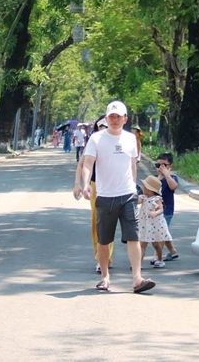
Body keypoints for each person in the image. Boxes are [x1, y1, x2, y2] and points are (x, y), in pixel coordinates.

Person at [75, 101, 156, 294]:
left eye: (118, 116)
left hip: (127, 195)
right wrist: (86, 184)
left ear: (125, 119)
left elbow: (132, 165)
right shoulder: (96, 139)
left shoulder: (130, 139)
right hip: (104, 196)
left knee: (133, 237)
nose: (114, 120)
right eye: (111, 116)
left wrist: (135, 189)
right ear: (106, 118)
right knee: (104, 240)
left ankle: (137, 278)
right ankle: (105, 277)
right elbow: (87, 164)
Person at [74, 116, 114, 273]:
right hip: (96, 186)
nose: (104, 128)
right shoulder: (94, 142)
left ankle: (106, 257)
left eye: (107, 125)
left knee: (110, 222)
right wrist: (79, 184)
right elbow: (82, 164)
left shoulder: (121, 142)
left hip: (115, 187)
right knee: (98, 222)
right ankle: (100, 257)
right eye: (101, 126)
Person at [137, 175, 172, 269]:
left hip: (155, 224)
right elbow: (137, 200)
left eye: (145, 187)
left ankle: (160, 258)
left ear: (151, 190)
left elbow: (161, 209)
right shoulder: (143, 197)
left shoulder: (156, 199)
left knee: (155, 244)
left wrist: (155, 212)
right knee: (142, 243)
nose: (143, 188)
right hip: (145, 224)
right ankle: (138, 264)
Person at [154, 152, 180, 261]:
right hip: (156, 210)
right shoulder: (155, 179)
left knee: (161, 232)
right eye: (158, 165)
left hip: (167, 210)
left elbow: (173, 187)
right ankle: (172, 251)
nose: (160, 168)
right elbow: (148, 190)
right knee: (163, 232)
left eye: (164, 165)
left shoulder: (172, 177)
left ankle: (157, 256)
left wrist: (167, 175)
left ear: (170, 166)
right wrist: (159, 177)